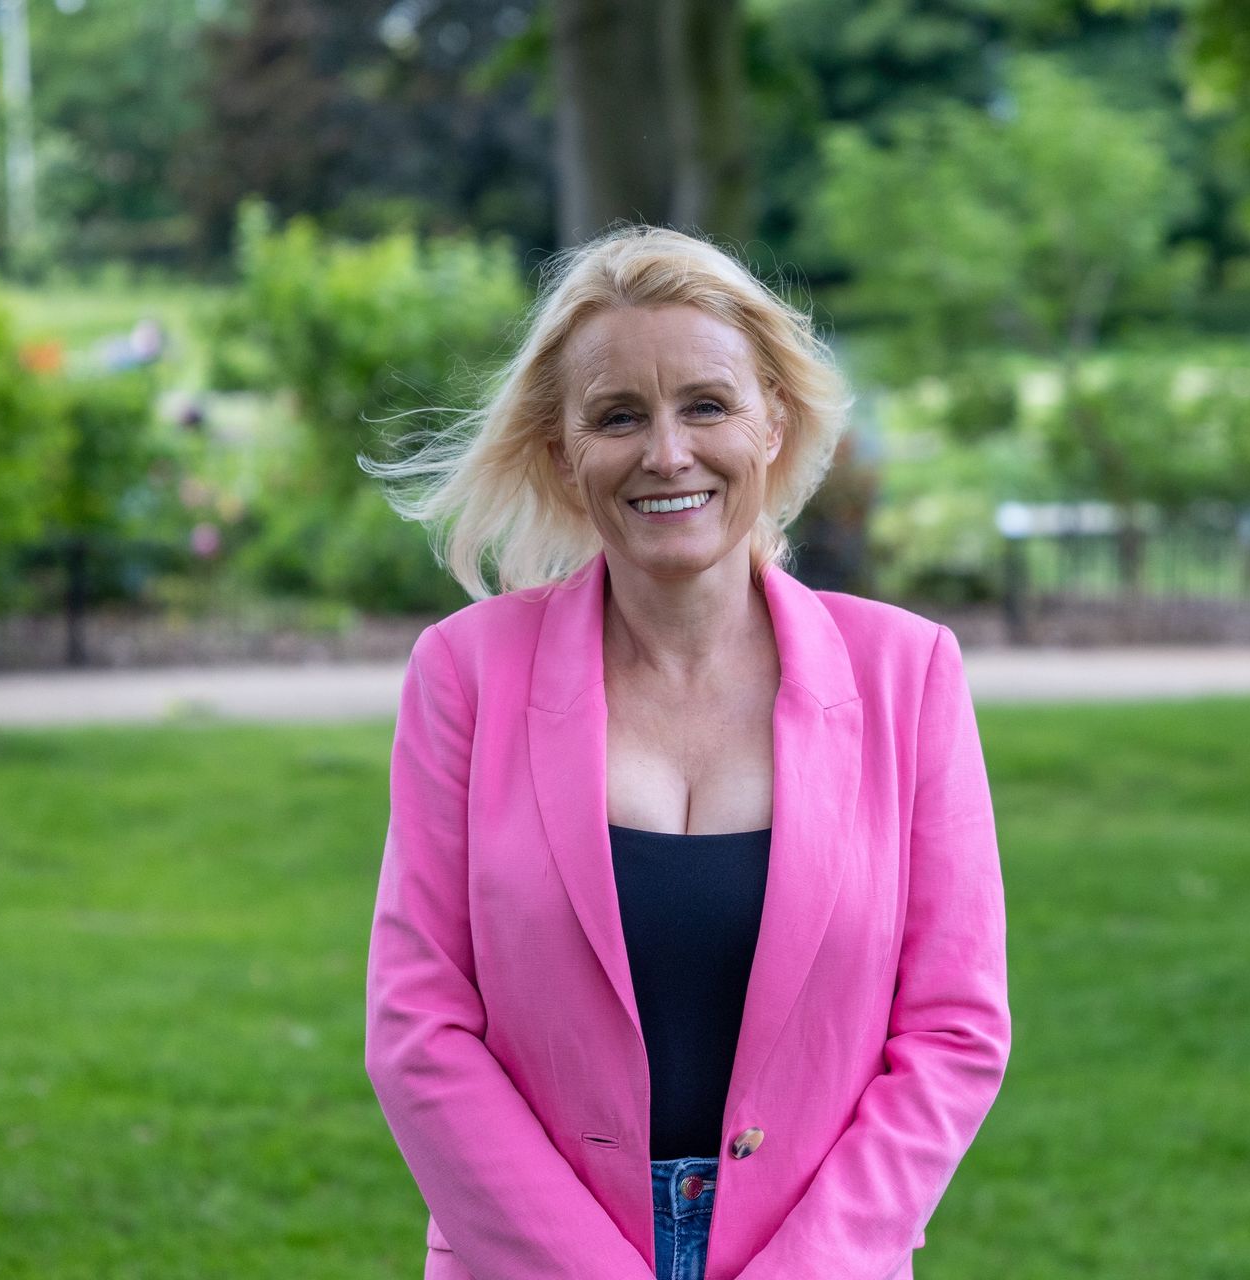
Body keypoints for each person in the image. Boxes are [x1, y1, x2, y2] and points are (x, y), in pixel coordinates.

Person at [360, 225, 1011, 1280]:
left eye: (706, 404)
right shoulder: (465, 673)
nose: (667, 452)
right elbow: (417, 1027)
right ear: (567, 451)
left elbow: (953, 1029)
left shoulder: (908, 672)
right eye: (619, 415)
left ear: (773, 423)